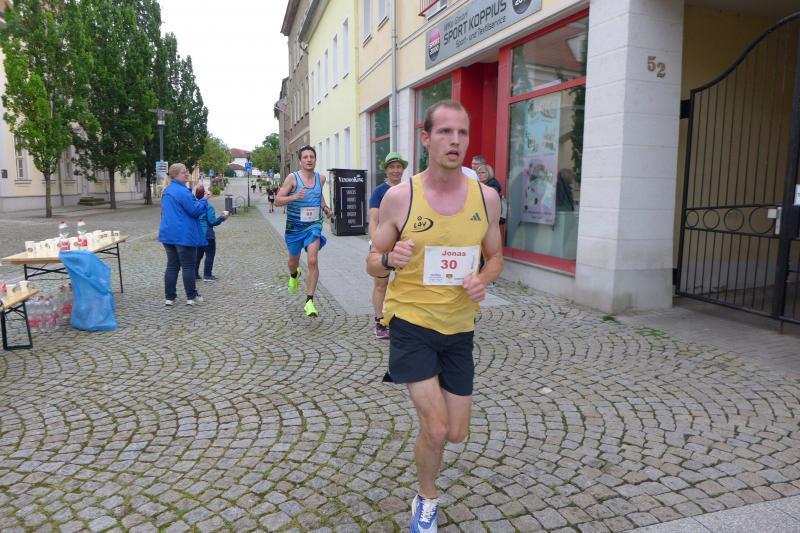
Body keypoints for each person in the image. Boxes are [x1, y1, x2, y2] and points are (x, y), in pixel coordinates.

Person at [366, 100, 503, 532]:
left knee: (457, 432)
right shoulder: (401, 197)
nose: (455, 141)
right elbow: (372, 262)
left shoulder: (487, 198)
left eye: (462, 132)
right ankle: (426, 499)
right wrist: (389, 259)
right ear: (426, 138)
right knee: (438, 428)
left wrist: (483, 279)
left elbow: (496, 258)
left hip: (459, 328)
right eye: (444, 132)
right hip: (411, 322)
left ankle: (429, 464)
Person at [275, 145, 334, 317]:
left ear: (315, 160)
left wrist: (326, 208)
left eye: (311, 157)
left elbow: (319, 195)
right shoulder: (292, 178)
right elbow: (277, 200)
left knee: (313, 260)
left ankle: (309, 302)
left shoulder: (320, 178)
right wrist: (295, 197)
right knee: (293, 261)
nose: (309, 159)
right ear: (300, 161)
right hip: (294, 228)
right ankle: (294, 274)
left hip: (313, 226)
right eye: (305, 157)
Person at [158, 163, 210, 306]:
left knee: (172, 266)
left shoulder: (167, 190)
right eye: (183, 172)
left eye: (187, 171)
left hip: (168, 234)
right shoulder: (182, 191)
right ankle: (191, 297)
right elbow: (194, 211)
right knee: (188, 266)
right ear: (175, 175)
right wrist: (204, 200)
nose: (187, 173)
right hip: (183, 235)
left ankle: (170, 297)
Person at [369, 151, 407, 339]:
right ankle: (380, 322)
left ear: (403, 169)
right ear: (386, 169)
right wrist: (375, 243)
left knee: (406, 283)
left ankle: (403, 321)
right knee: (381, 284)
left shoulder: (409, 189)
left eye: (398, 167)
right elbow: (373, 219)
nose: (395, 170)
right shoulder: (379, 191)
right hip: (384, 243)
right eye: (392, 167)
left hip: (404, 244)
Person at [194, 185, 230, 281]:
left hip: (197, 233)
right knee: (210, 254)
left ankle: (194, 274)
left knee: (198, 255)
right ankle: (207, 275)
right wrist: (223, 217)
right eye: (207, 191)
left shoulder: (195, 205)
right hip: (207, 234)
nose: (209, 192)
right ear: (205, 194)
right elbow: (212, 222)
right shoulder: (209, 207)